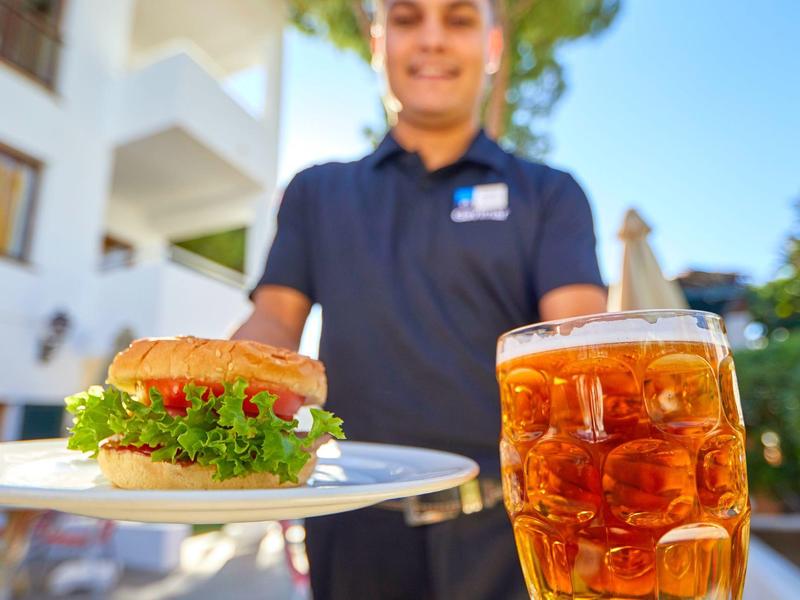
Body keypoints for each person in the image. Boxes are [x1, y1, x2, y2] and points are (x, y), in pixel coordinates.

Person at [234, 0, 607, 597]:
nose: (431, 39)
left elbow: (582, 348)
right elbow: (275, 319)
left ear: (492, 48)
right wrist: (208, 397)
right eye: (407, 19)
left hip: (513, 533)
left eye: (458, 20)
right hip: (350, 525)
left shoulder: (550, 193)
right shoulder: (317, 191)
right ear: (378, 45)